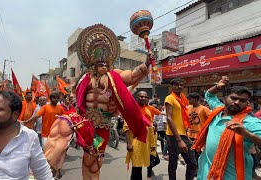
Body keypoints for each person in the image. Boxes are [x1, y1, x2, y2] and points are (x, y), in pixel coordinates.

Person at [75, 24, 151, 179]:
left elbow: (132, 76)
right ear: (92, 63)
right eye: (99, 63)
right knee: (88, 159)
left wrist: (147, 63)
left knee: (96, 162)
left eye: (104, 63)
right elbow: (78, 97)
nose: (102, 65)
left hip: (103, 125)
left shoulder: (114, 76)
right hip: (87, 124)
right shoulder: (85, 79)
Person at [193, 76, 261, 179]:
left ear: (247, 103)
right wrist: (217, 86)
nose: (237, 102)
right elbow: (209, 95)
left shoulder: (250, 122)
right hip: (206, 173)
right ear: (225, 99)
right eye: (234, 98)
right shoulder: (217, 110)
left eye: (242, 100)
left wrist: (247, 134)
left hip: (232, 176)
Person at [164, 78, 197, 180]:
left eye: (181, 85)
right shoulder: (170, 98)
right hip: (174, 136)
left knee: (192, 163)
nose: (180, 86)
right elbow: (169, 118)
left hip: (184, 134)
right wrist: (179, 140)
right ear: (172, 86)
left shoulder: (183, 99)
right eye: (177, 85)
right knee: (173, 164)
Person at [124, 91, 160, 180]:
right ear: (137, 97)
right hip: (135, 142)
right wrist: (129, 143)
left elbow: (151, 129)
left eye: (145, 97)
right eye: (141, 97)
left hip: (145, 143)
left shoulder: (147, 111)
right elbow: (126, 128)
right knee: (137, 167)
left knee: (137, 166)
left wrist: (152, 145)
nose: (143, 98)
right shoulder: (132, 110)